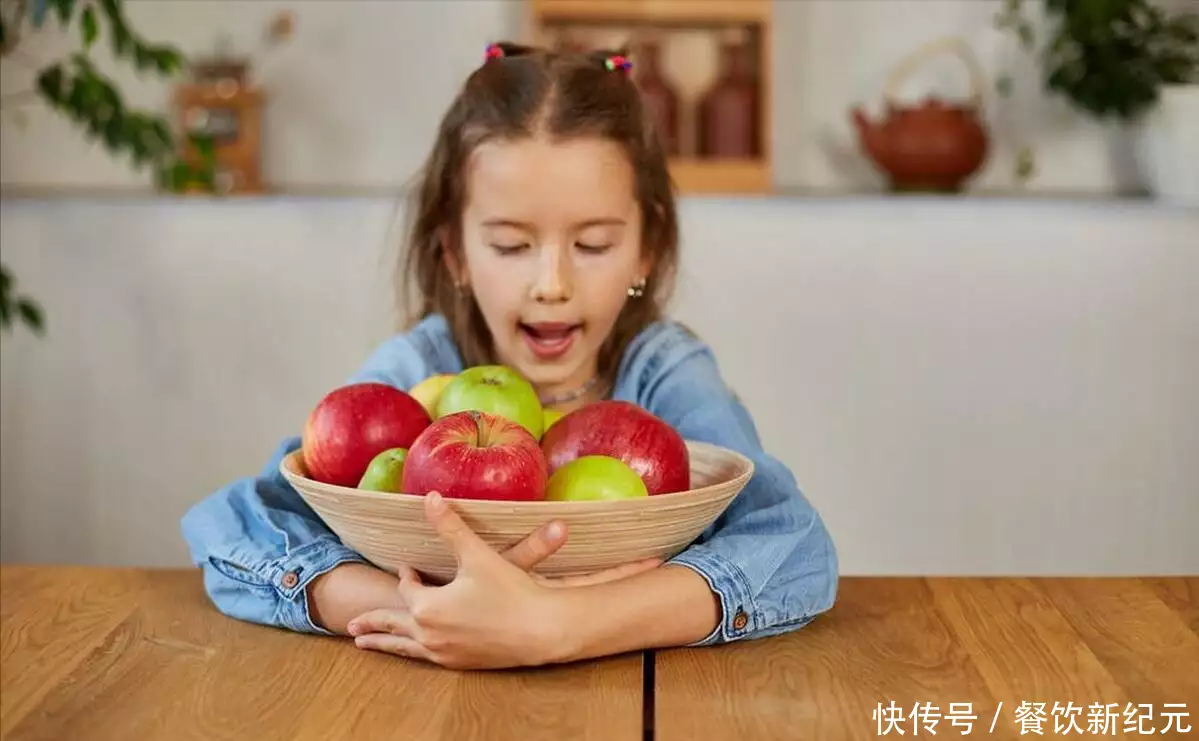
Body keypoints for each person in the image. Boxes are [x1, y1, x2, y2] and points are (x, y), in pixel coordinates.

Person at [180, 41, 838, 670]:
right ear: (455, 253)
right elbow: (233, 530)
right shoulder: (418, 375)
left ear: (646, 250)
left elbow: (793, 548)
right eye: (511, 245)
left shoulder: (663, 371)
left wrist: (558, 625)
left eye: (593, 244)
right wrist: (448, 615)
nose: (551, 284)